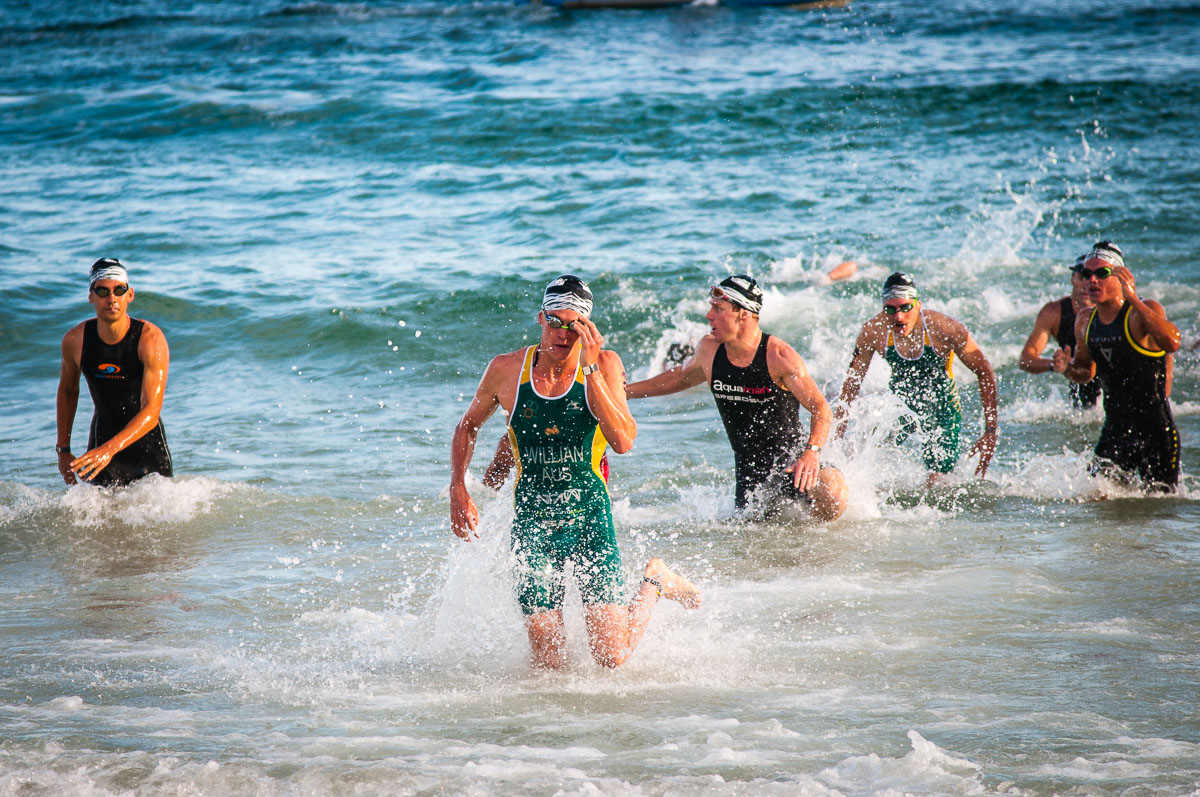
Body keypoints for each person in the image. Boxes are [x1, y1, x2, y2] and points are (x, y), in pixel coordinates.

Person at [450, 275, 701, 670]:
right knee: (549, 662)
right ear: (541, 318)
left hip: (590, 519)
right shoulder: (506, 369)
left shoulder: (603, 364)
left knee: (611, 657)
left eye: (574, 326)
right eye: (555, 322)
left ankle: (655, 581)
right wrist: (458, 490)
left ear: (587, 328)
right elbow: (468, 426)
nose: (562, 334)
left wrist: (592, 372)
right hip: (532, 524)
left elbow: (623, 441)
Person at [623, 275, 848, 521]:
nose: (709, 315)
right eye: (711, 307)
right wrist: (625, 392)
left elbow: (820, 407)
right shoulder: (709, 350)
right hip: (749, 473)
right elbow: (680, 379)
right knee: (753, 537)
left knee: (833, 493)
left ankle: (823, 552)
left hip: (792, 464)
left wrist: (812, 453)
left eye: (718, 309)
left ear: (743, 314)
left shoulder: (778, 356)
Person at [835, 272, 998, 486]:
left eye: (905, 308)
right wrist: (836, 440)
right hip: (901, 405)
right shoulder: (873, 331)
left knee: (938, 482)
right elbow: (852, 384)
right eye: (890, 310)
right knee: (865, 458)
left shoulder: (944, 328)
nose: (898, 317)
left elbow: (985, 371)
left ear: (918, 304)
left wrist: (990, 432)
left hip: (943, 407)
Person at [1061, 242, 1181, 491]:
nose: (1092, 280)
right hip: (1115, 431)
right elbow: (1085, 373)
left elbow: (1172, 342)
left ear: (1121, 276)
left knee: (1159, 509)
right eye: (1086, 274)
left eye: (1101, 273)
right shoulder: (1085, 320)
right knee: (1095, 498)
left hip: (1156, 432)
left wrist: (1133, 298)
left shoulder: (1143, 311)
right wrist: (1066, 369)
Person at [56, 258, 173, 487]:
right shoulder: (75, 341)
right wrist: (63, 450)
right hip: (102, 443)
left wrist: (108, 450)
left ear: (129, 295)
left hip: (146, 448)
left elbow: (151, 409)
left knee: (158, 519)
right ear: (91, 296)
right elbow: (68, 391)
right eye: (102, 291)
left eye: (119, 290)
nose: (111, 298)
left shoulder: (149, 339)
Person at [1018, 254, 1102, 408]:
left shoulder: (1111, 312)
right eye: (1082, 276)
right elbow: (1025, 359)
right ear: (1072, 279)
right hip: (1078, 392)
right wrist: (1055, 365)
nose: (1086, 284)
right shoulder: (1054, 313)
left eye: (1091, 278)